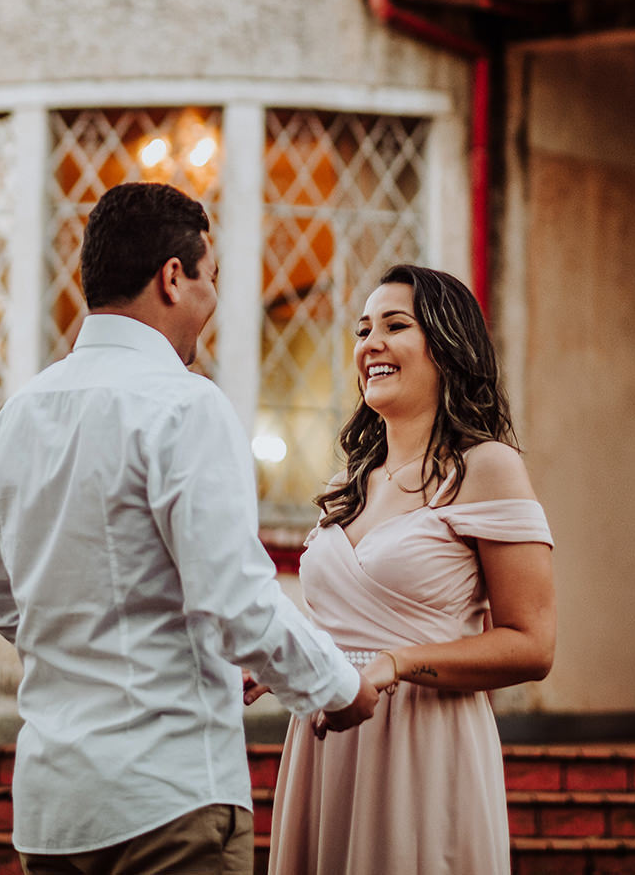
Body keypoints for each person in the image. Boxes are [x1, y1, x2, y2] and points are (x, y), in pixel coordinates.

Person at [0, 181, 378, 875]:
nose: (212, 302)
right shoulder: (185, 406)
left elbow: (3, 606)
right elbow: (236, 602)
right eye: (211, 279)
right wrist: (340, 688)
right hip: (167, 801)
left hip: (53, 811)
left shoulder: (13, 420)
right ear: (172, 277)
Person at [264, 263, 556, 875]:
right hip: (325, 739)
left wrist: (395, 664)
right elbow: (343, 623)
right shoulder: (349, 482)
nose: (370, 344)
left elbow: (531, 645)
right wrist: (286, 661)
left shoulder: (486, 468)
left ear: (448, 347)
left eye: (395, 326)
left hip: (426, 742)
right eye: (362, 329)